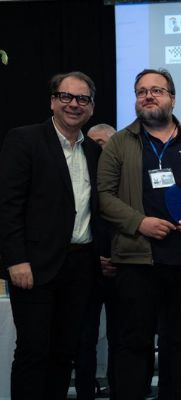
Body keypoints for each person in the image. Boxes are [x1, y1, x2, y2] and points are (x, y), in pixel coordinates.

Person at [97, 68, 181, 399]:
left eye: (156, 90)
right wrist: (139, 222)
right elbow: (103, 196)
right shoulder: (118, 143)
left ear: (172, 97)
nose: (148, 96)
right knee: (132, 343)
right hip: (136, 260)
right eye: (141, 91)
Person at [0, 71, 102, 400]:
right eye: (66, 96)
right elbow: (8, 205)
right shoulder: (24, 140)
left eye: (82, 99)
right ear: (52, 101)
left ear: (91, 107)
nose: (74, 104)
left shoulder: (94, 152)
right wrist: (16, 259)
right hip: (34, 267)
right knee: (33, 352)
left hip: (80, 267)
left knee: (64, 353)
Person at [74, 123, 118, 400]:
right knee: (84, 338)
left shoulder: (124, 175)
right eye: (91, 142)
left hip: (120, 267)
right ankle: (85, 391)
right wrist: (94, 258)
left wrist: (117, 258)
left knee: (121, 337)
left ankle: (120, 387)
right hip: (87, 266)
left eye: (101, 142)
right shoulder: (78, 174)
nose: (95, 148)